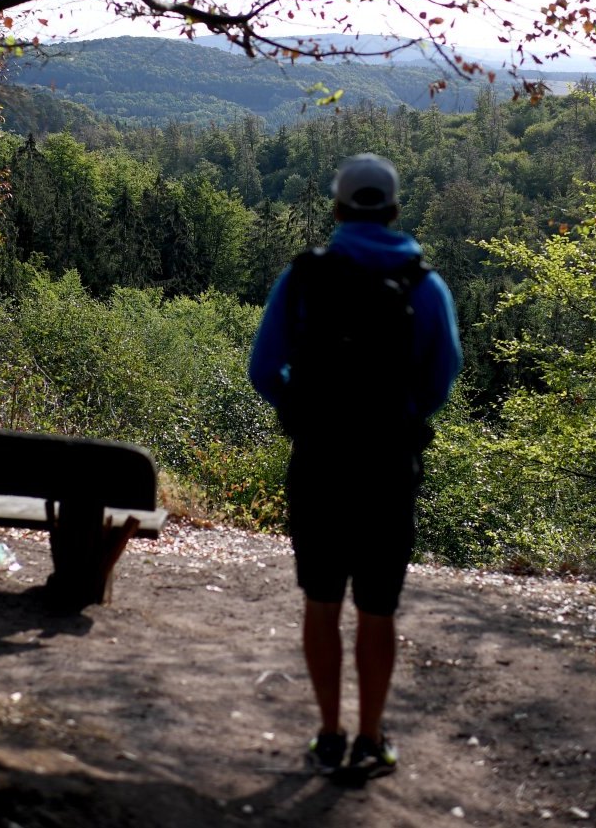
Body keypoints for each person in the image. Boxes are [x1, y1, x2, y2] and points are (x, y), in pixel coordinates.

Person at [247, 153, 462, 779]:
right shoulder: (425, 285)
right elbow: (441, 380)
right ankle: (371, 739)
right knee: (377, 608)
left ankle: (328, 734)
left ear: (338, 209)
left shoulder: (304, 277)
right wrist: (396, 414)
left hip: (318, 462)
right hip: (389, 467)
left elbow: (264, 371)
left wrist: (308, 405)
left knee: (321, 601)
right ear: (394, 211)